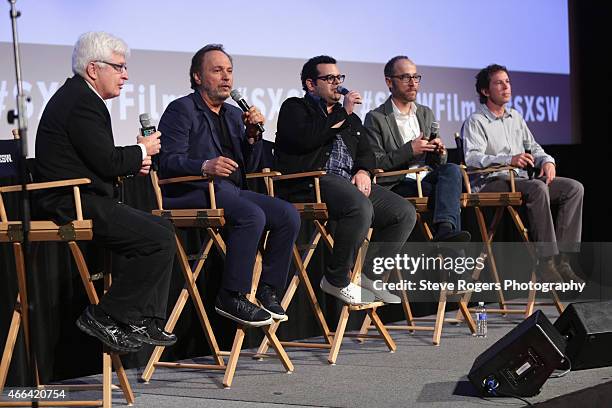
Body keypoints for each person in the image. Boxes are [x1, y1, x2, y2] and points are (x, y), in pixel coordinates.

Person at [35, 32, 177, 353]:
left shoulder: (81, 97)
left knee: (163, 229)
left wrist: (130, 163)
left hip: (84, 197)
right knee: (159, 239)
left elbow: (96, 161)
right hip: (70, 203)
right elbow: (105, 160)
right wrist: (141, 150)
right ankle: (105, 315)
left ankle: (145, 317)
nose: (125, 75)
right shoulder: (81, 102)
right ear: (94, 69)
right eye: (119, 67)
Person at [158, 44, 300, 327]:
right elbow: (168, 160)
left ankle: (267, 289)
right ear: (198, 77)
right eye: (217, 70)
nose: (226, 77)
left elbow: (252, 167)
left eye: (229, 71)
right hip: (192, 191)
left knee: (288, 214)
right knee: (251, 214)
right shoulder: (181, 109)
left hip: (231, 191)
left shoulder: (236, 114)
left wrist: (252, 137)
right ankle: (231, 295)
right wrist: (203, 166)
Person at [275, 55, 416, 305]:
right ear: (310, 84)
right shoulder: (295, 107)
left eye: (339, 78)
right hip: (312, 182)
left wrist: (363, 170)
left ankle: (372, 276)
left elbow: (368, 153)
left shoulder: (351, 120)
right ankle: (337, 279)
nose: (337, 83)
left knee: (404, 212)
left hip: (345, 183)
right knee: (359, 207)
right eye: (329, 78)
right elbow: (308, 139)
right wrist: (343, 111)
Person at [463, 64, 584, 283]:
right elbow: (472, 159)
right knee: (537, 187)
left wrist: (547, 161)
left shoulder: (515, 116)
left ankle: (563, 261)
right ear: (485, 91)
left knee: (573, 188)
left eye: (507, 82)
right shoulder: (476, 121)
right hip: (491, 183)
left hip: (518, 181)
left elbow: (534, 147)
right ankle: (546, 261)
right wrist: (508, 160)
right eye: (499, 83)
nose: (506, 87)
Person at [365, 56, 470, 242]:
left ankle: (445, 230)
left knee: (452, 170)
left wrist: (439, 152)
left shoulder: (425, 112)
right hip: (398, 183)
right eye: (406, 78)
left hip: (425, 178)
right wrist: (410, 150)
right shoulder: (376, 117)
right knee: (447, 195)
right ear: (389, 82)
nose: (413, 83)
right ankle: (453, 256)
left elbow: (437, 164)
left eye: (416, 77)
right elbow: (376, 162)